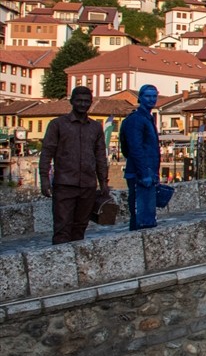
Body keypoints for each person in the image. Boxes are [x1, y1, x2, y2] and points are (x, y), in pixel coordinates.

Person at [39, 86, 109, 244]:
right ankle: (60, 262)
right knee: (62, 227)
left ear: (91, 103)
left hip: (88, 185)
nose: (83, 104)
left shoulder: (95, 127)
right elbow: (47, 152)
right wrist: (44, 179)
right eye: (79, 101)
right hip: (64, 184)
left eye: (86, 101)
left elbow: (100, 156)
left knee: (81, 227)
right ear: (71, 101)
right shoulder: (57, 124)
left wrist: (103, 182)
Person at [119, 84, 161, 230]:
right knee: (142, 217)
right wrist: (144, 173)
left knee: (146, 217)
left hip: (148, 172)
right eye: (148, 96)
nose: (152, 99)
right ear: (140, 98)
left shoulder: (147, 118)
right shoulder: (137, 119)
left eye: (154, 96)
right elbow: (134, 148)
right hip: (141, 174)